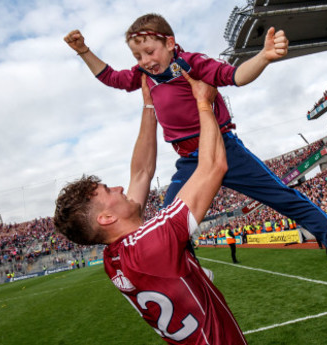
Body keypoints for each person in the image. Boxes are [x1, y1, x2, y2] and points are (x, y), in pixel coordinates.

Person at [64, 14, 327, 292]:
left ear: (169, 42)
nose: (145, 62)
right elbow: (111, 78)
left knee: (286, 200)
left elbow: (233, 76)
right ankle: (191, 273)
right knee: (166, 228)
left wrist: (263, 57)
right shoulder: (143, 77)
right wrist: (84, 51)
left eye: (150, 51)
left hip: (224, 148)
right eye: (138, 57)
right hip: (189, 162)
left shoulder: (192, 64)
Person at [54, 74, 247, 344]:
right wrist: (204, 103)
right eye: (109, 191)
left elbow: (142, 172)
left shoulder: (115, 257)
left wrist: (149, 106)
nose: (121, 188)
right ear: (107, 217)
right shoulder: (152, 244)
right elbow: (214, 165)